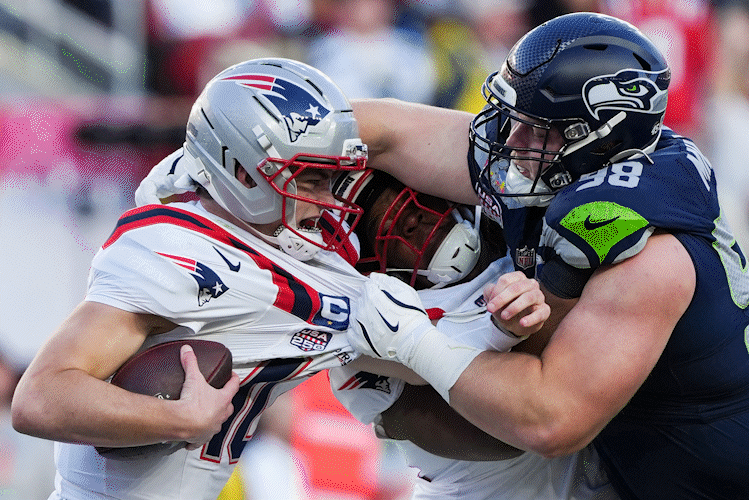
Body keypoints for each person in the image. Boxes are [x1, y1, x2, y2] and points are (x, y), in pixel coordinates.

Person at [11, 57, 547, 500]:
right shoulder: (175, 250)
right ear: (241, 172)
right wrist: (173, 419)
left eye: (332, 179)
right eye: (310, 180)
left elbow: (417, 356)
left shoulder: (306, 253)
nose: (328, 201)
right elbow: (40, 397)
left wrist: (498, 323)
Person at [343, 12, 749, 500]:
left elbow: (549, 421)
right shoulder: (567, 168)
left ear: (602, 137)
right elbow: (386, 134)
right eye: (514, 119)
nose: (511, 142)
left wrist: (408, 341)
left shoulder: (651, 259)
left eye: (536, 129)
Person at [328, 167, 618, 499]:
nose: (412, 220)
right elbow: (510, 434)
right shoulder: (368, 326)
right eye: (380, 226)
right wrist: (559, 287)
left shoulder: (505, 214)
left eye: (412, 198)